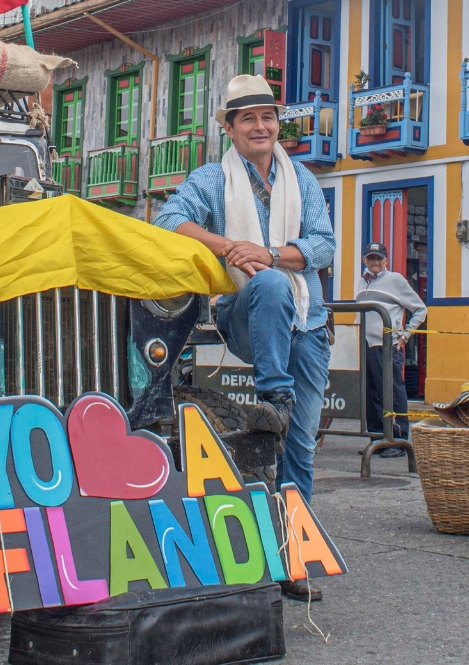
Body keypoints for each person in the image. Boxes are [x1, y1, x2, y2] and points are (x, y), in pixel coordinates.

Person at [155, 74, 334, 603]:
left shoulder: (302, 179)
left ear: (278, 126)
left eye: (268, 117)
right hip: (246, 312)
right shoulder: (214, 178)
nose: (261, 126)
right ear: (230, 130)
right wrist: (231, 246)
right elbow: (169, 221)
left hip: (308, 323)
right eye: (248, 119)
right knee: (271, 284)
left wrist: (272, 254)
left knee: (298, 445)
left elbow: (322, 247)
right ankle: (274, 391)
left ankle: (292, 557)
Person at [354, 243, 424, 454]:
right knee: (371, 393)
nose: (375, 262)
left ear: (386, 261)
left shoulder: (395, 280)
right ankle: (377, 438)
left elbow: (420, 309)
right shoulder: (362, 281)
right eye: (371, 258)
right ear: (365, 260)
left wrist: (405, 334)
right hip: (366, 345)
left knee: (392, 391)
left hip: (387, 346)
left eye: (379, 259)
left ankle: (399, 440)